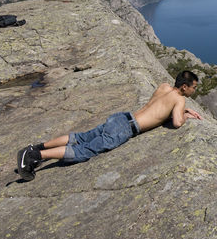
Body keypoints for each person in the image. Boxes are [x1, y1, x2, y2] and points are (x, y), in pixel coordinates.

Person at [16, 71, 202, 181]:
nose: (194, 90)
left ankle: (37, 147)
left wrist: (175, 112)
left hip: (122, 118)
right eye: (193, 87)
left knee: (81, 137)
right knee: (84, 151)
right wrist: (185, 114)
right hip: (126, 129)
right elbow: (177, 123)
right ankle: (34, 156)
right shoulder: (179, 99)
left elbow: (159, 110)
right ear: (184, 87)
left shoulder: (163, 87)